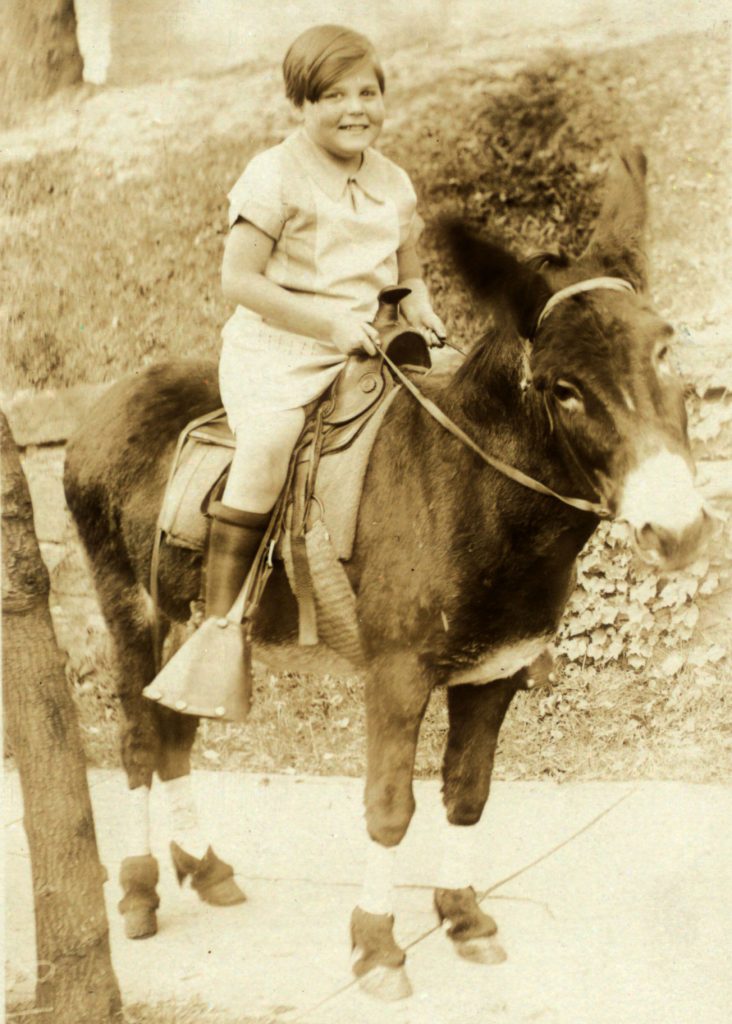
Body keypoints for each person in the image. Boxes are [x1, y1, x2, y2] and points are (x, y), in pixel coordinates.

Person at [207, 23, 446, 620]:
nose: (354, 110)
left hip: (367, 345)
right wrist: (329, 325)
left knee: (463, 401)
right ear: (300, 104)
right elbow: (239, 281)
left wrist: (419, 303)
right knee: (266, 448)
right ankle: (220, 625)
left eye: (367, 93)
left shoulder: (392, 180)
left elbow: (407, 269)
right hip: (280, 348)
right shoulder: (274, 174)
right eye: (333, 97)